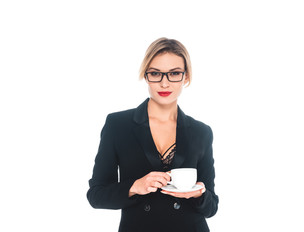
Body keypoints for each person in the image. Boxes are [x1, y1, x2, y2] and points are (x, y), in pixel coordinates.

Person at [87, 37, 219, 232]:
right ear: (146, 76)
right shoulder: (118, 125)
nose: (164, 83)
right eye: (156, 73)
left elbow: (212, 207)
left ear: (186, 77)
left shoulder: (201, 132)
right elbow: (96, 195)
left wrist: (199, 194)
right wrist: (135, 186)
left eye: (174, 73)